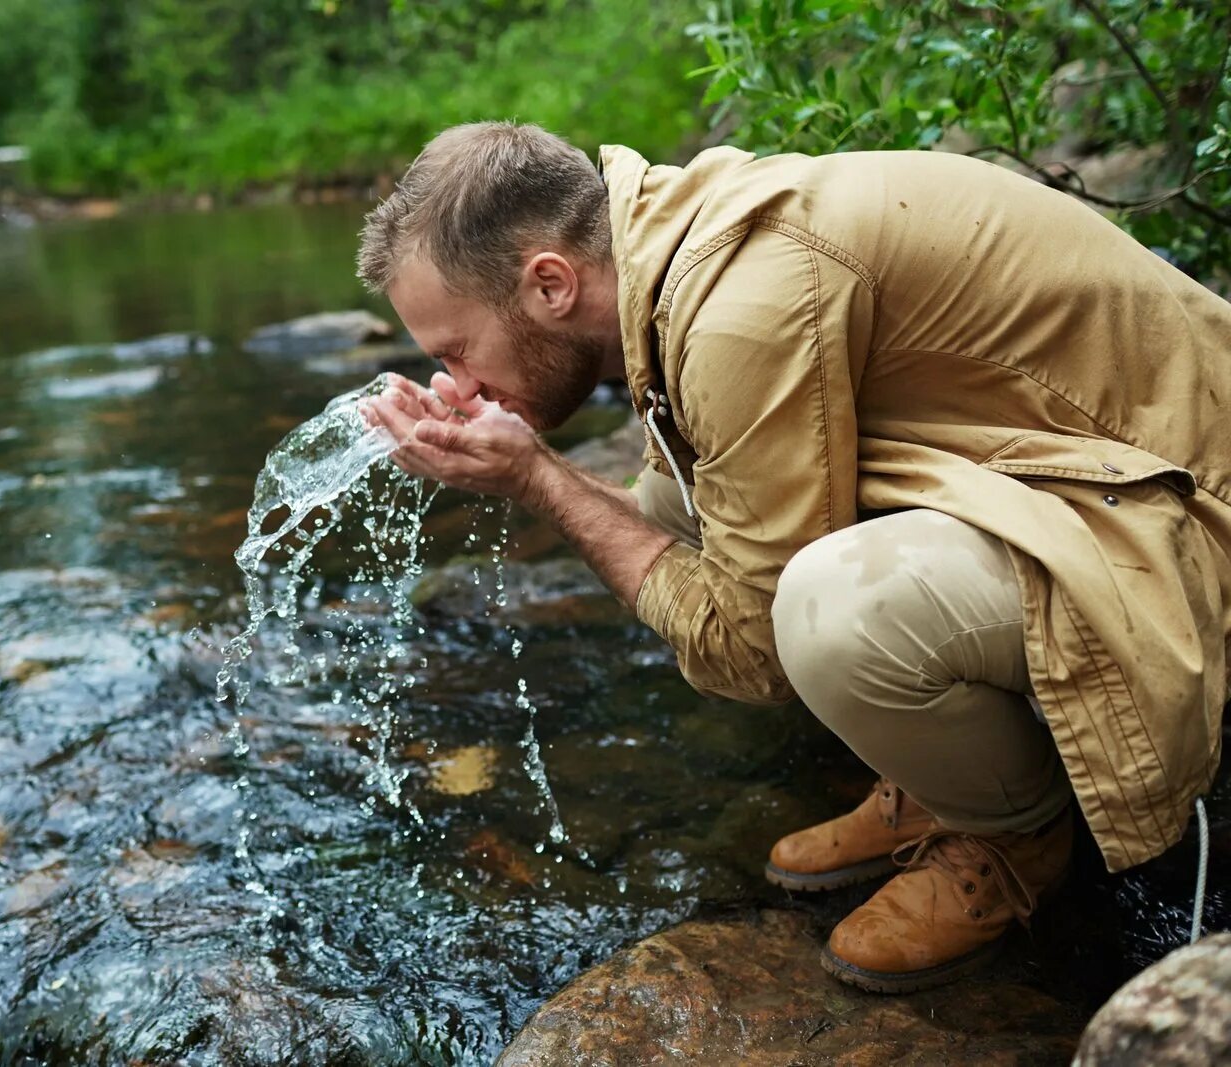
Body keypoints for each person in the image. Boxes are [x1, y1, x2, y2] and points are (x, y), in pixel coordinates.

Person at [358, 121, 1231, 993]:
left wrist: (541, 480)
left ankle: (1014, 836)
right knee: (681, 507)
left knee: (829, 613)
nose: (456, 387)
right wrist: (537, 470)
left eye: (455, 352)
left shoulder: (741, 308)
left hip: (1181, 509)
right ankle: (941, 779)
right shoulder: (683, 247)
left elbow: (756, 649)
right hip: (1073, 470)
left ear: (550, 282)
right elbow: (683, 532)